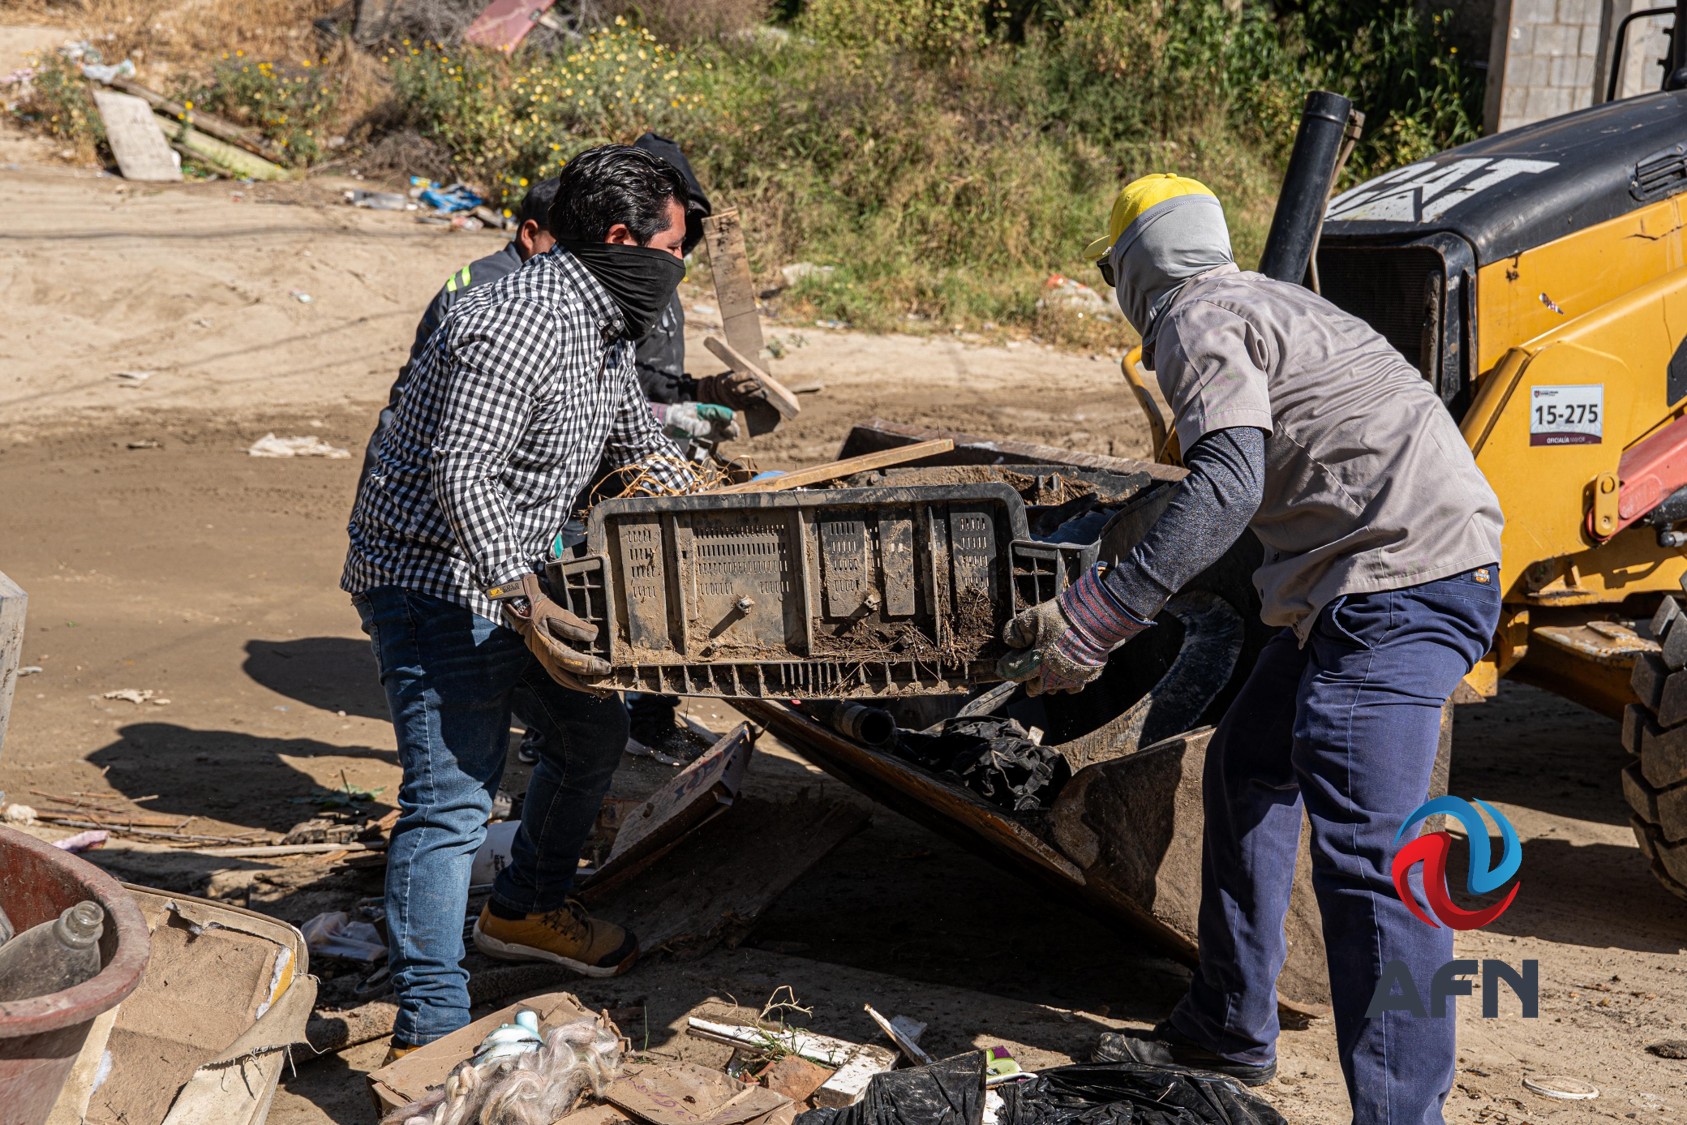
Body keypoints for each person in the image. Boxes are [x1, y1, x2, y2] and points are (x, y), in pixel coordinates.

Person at [1000, 174, 1503, 1125]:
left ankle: (1402, 1115)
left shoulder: (1195, 318)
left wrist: (1100, 616)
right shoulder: (1275, 301)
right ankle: (1228, 1023)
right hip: (1384, 578)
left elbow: (1227, 482)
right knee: (1247, 764)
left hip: (1394, 588)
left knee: (1374, 857)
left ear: (1131, 270)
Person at [344, 144, 699, 1054]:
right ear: (623, 240)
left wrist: (711, 504)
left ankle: (525, 908)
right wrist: (523, 600)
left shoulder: (604, 326)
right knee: (451, 801)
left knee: (589, 734)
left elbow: (634, 445)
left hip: (510, 577)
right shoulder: (516, 320)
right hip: (432, 579)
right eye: (674, 249)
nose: (680, 267)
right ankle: (431, 1025)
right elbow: (463, 470)